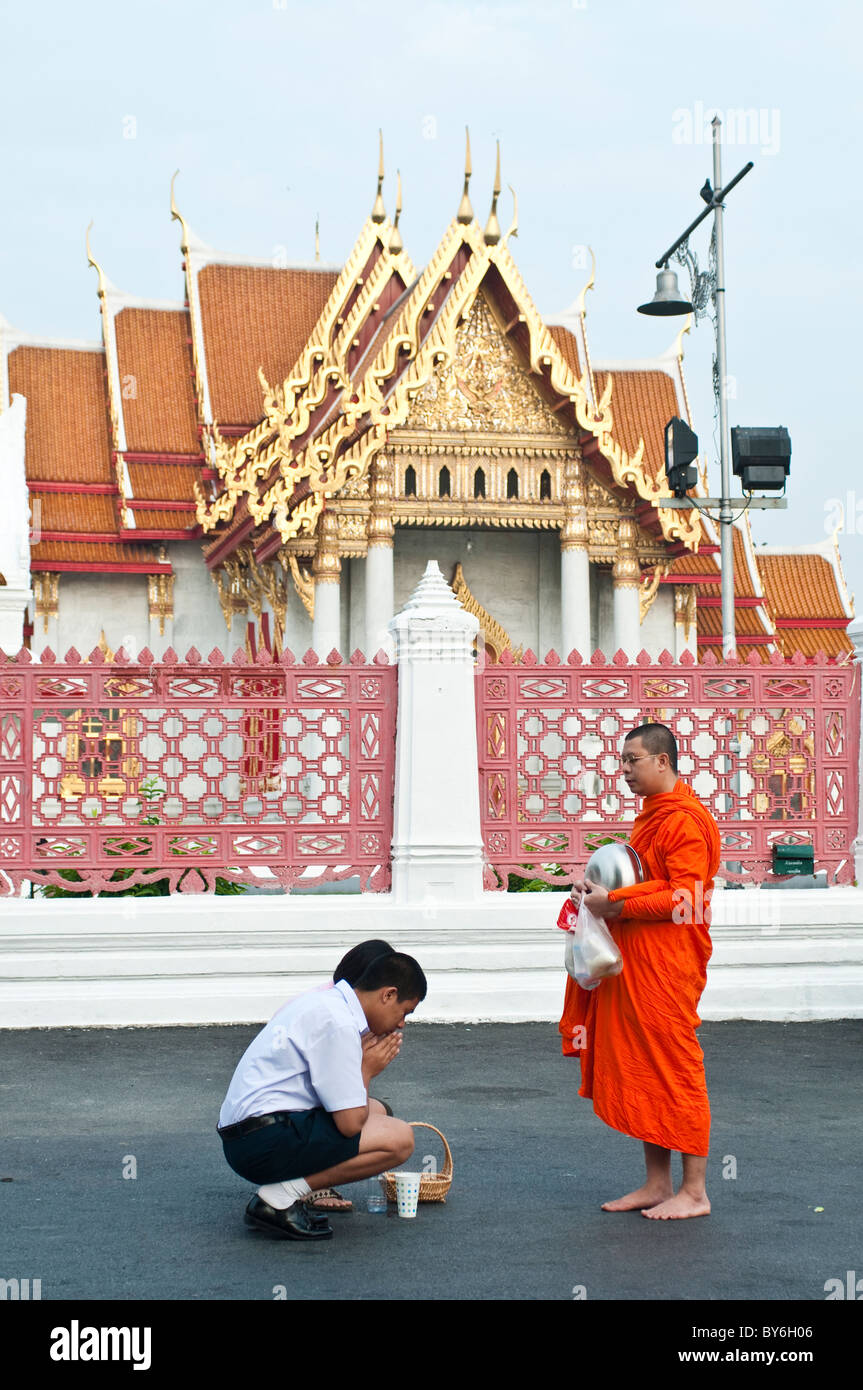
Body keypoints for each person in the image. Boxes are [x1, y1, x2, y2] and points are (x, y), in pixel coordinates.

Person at [558, 722, 721, 1220]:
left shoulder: (685, 821)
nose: (623, 770)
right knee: (644, 1067)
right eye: (622, 761)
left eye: (632, 760)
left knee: (675, 1068)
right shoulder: (651, 817)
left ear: (663, 761)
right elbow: (641, 880)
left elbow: (686, 896)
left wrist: (618, 905)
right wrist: (596, 895)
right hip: (638, 958)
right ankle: (657, 1183)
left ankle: (694, 1192)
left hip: (667, 965)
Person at [218, 950, 427, 1240]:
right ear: (388, 995)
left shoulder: (329, 1002)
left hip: (251, 1134)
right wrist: (365, 1070)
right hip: (257, 1143)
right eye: (405, 1011)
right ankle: (278, 1199)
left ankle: (297, 1187)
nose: (402, 1023)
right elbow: (350, 1124)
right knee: (400, 1140)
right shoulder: (338, 1022)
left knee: (378, 1111)